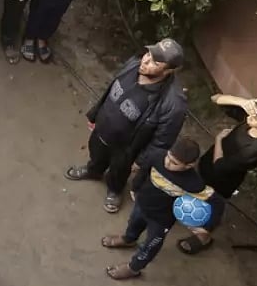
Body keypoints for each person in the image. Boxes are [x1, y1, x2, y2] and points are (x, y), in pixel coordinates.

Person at [64, 39, 189, 213]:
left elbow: (162, 140)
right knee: (96, 153)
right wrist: (95, 114)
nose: (145, 61)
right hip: (102, 129)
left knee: (119, 171)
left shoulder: (173, 104)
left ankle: (114, 190)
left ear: (169, 70)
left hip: (126, 148)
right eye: (149, 54)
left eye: (155, 62)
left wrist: (141, 161)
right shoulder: (134, 64)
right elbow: (111, 89)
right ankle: (94, 171)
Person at [178, 94, 257, 254]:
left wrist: (219, 140)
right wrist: (244, 102)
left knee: (213, 205)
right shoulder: (253, 118)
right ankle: (190, 209)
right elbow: (215, 98)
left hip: (222, 181)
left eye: (256, 118)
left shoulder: (255, 150)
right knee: (196, 189)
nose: (250, 118)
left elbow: (219, 166)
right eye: (252, 113)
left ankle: (204, 237)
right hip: (207, 166)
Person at [101, 137, 223, 280]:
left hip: (161, 220)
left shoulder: (193, 183)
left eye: (174, 163)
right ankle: (128, 239)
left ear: (189, 165)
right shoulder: (157, 156)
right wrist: (135, 187)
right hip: (142, 203)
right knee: (133, 223)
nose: (167, 163)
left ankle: (134, 268)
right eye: (168, 157)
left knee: (151, 245)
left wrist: (207, 228)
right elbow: (145, 169)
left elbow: (218, 203)